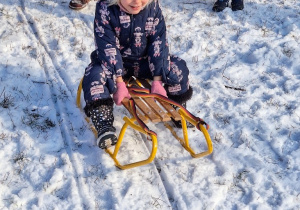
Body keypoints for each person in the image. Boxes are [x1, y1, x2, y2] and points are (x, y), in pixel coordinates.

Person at [82, 0, 193, 149]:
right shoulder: (106, 8)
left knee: (178, 67)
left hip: (144, 62)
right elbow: (108, 46)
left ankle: (177, 107)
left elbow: (158, 41)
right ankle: (103, 122)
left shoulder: (152, 7)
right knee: (94, 75)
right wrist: (119, 82)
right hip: (114, 63)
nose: (137, 2)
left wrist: (158, 79)